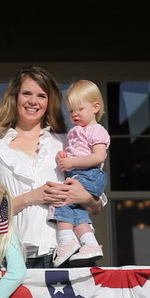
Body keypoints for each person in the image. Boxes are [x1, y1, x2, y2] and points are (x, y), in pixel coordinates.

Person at [0, 66, 102, 269]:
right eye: (26, 93)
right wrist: (31, 197)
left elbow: (95, 206)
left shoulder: (68, 141)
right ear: (15, 97)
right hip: (12, 260)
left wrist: (85, 197)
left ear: (49, 102)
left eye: (41, 95)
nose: (33, 101)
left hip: (66, 257)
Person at [52, 80, 110, 267]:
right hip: (80, 173)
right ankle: (90, 243)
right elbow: (76, 152)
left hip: (90, 174)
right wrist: (64, 156)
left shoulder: (97, 130)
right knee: (75, 210)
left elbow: (98, 157)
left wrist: (72, 162)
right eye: (71, 111)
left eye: (79, 109)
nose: (74, 114)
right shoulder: (76, 131)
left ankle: (66, 241)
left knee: (62, 201)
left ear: (95, 107)